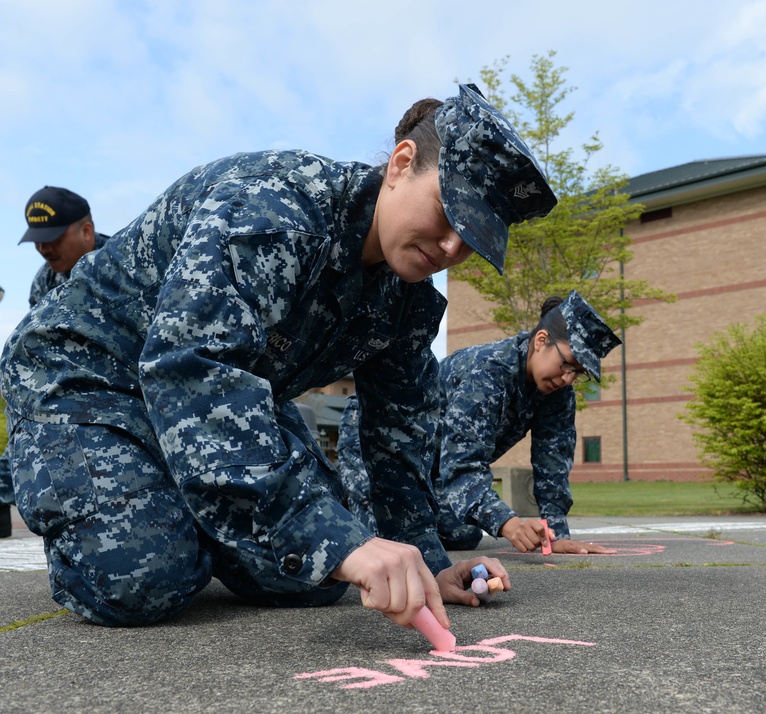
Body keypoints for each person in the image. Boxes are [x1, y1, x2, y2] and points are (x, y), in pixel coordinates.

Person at [0, 83, 557, 629]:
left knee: (312, 577)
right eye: (448, 212)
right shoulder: (273, 211)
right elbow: (193, 372)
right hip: (86, 379)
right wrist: (328, 533)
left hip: (219, 398)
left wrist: (428, 567)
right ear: (401, 163)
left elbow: (398, 444)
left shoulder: (408, 304)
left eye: (473, 238)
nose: (452, 248)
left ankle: (180, 499)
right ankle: (135, 506)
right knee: (143, 577)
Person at [338, 291, 622, 555]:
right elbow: (463, 464)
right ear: (541, 341)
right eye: (568, 363)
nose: (568, 378)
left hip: (432, 462)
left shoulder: (557, 393)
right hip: (377, 438)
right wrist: (508, 523)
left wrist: (555, 536)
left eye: (578, 373)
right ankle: (336, 500)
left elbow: (553, 465)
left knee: (463, 533)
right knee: (381, 546)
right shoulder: (487, 373)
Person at [0, 187, 109, 539]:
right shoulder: (46, 281)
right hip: (73, 384)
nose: (44, 248)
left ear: (86, 231)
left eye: (53, 238)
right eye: (38, 240)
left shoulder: (123, 263)